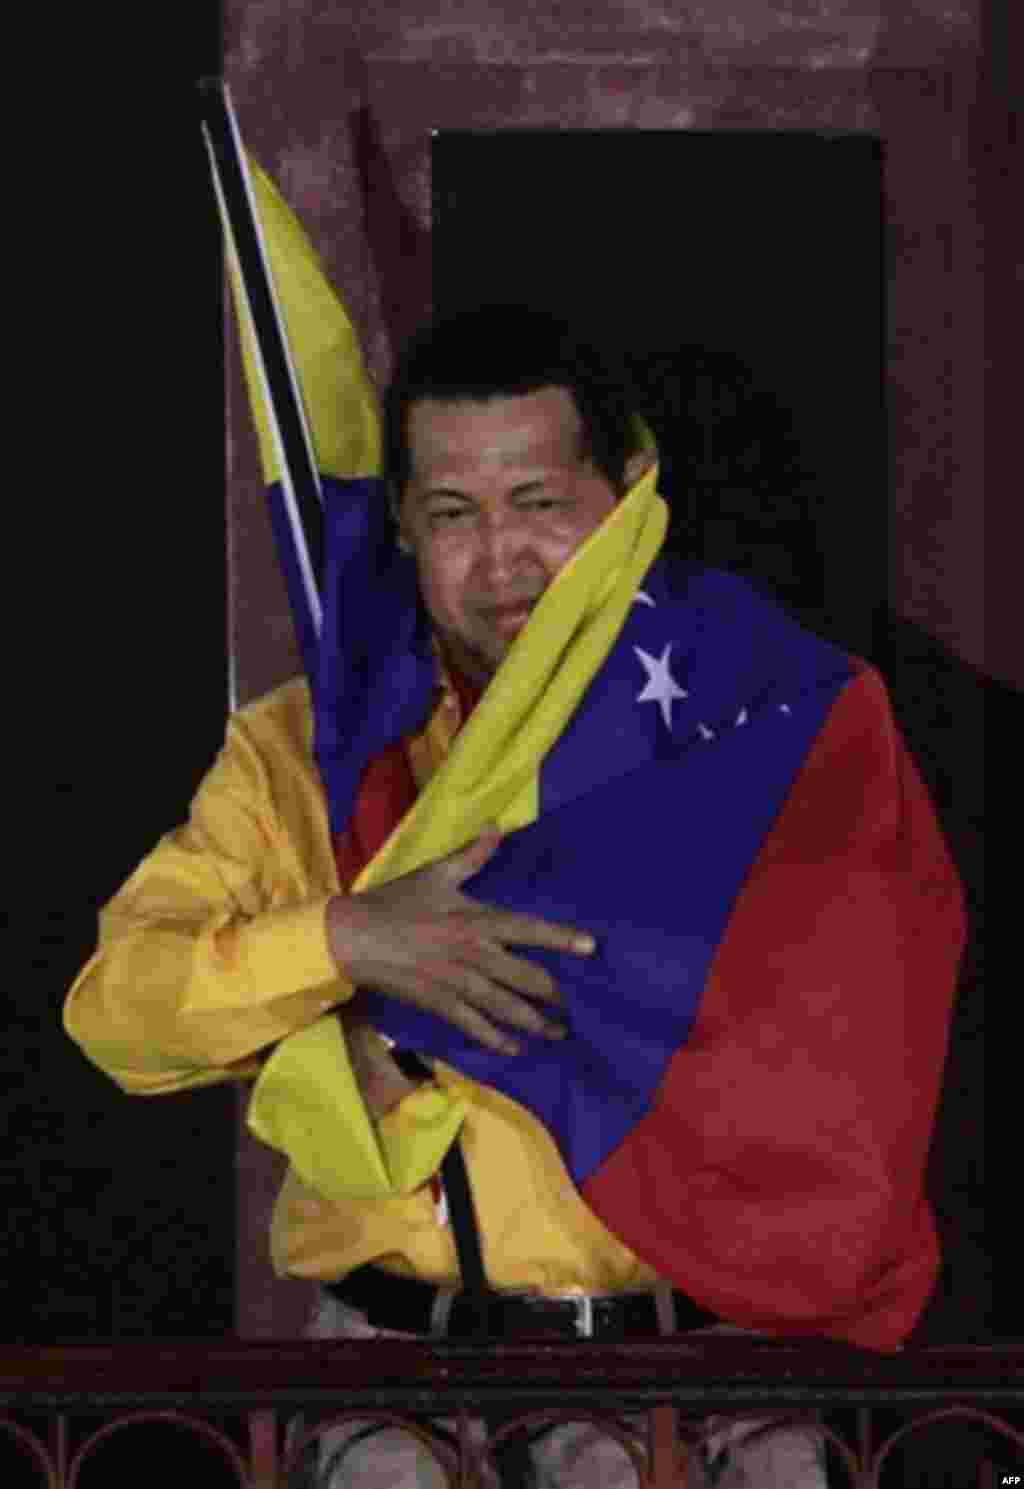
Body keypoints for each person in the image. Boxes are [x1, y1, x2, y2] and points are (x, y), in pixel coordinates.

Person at [64, 168, 965, 1489]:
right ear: (406, 534)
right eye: (453, 516)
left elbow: (849, 1038)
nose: (502, 563)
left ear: (624, 499)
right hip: (379, 1387)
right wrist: (352, 939)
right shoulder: (300, 752)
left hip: (693, 1383)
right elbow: (117, 1013)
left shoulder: (756, 729)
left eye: (541, 506)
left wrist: (348, 1053)